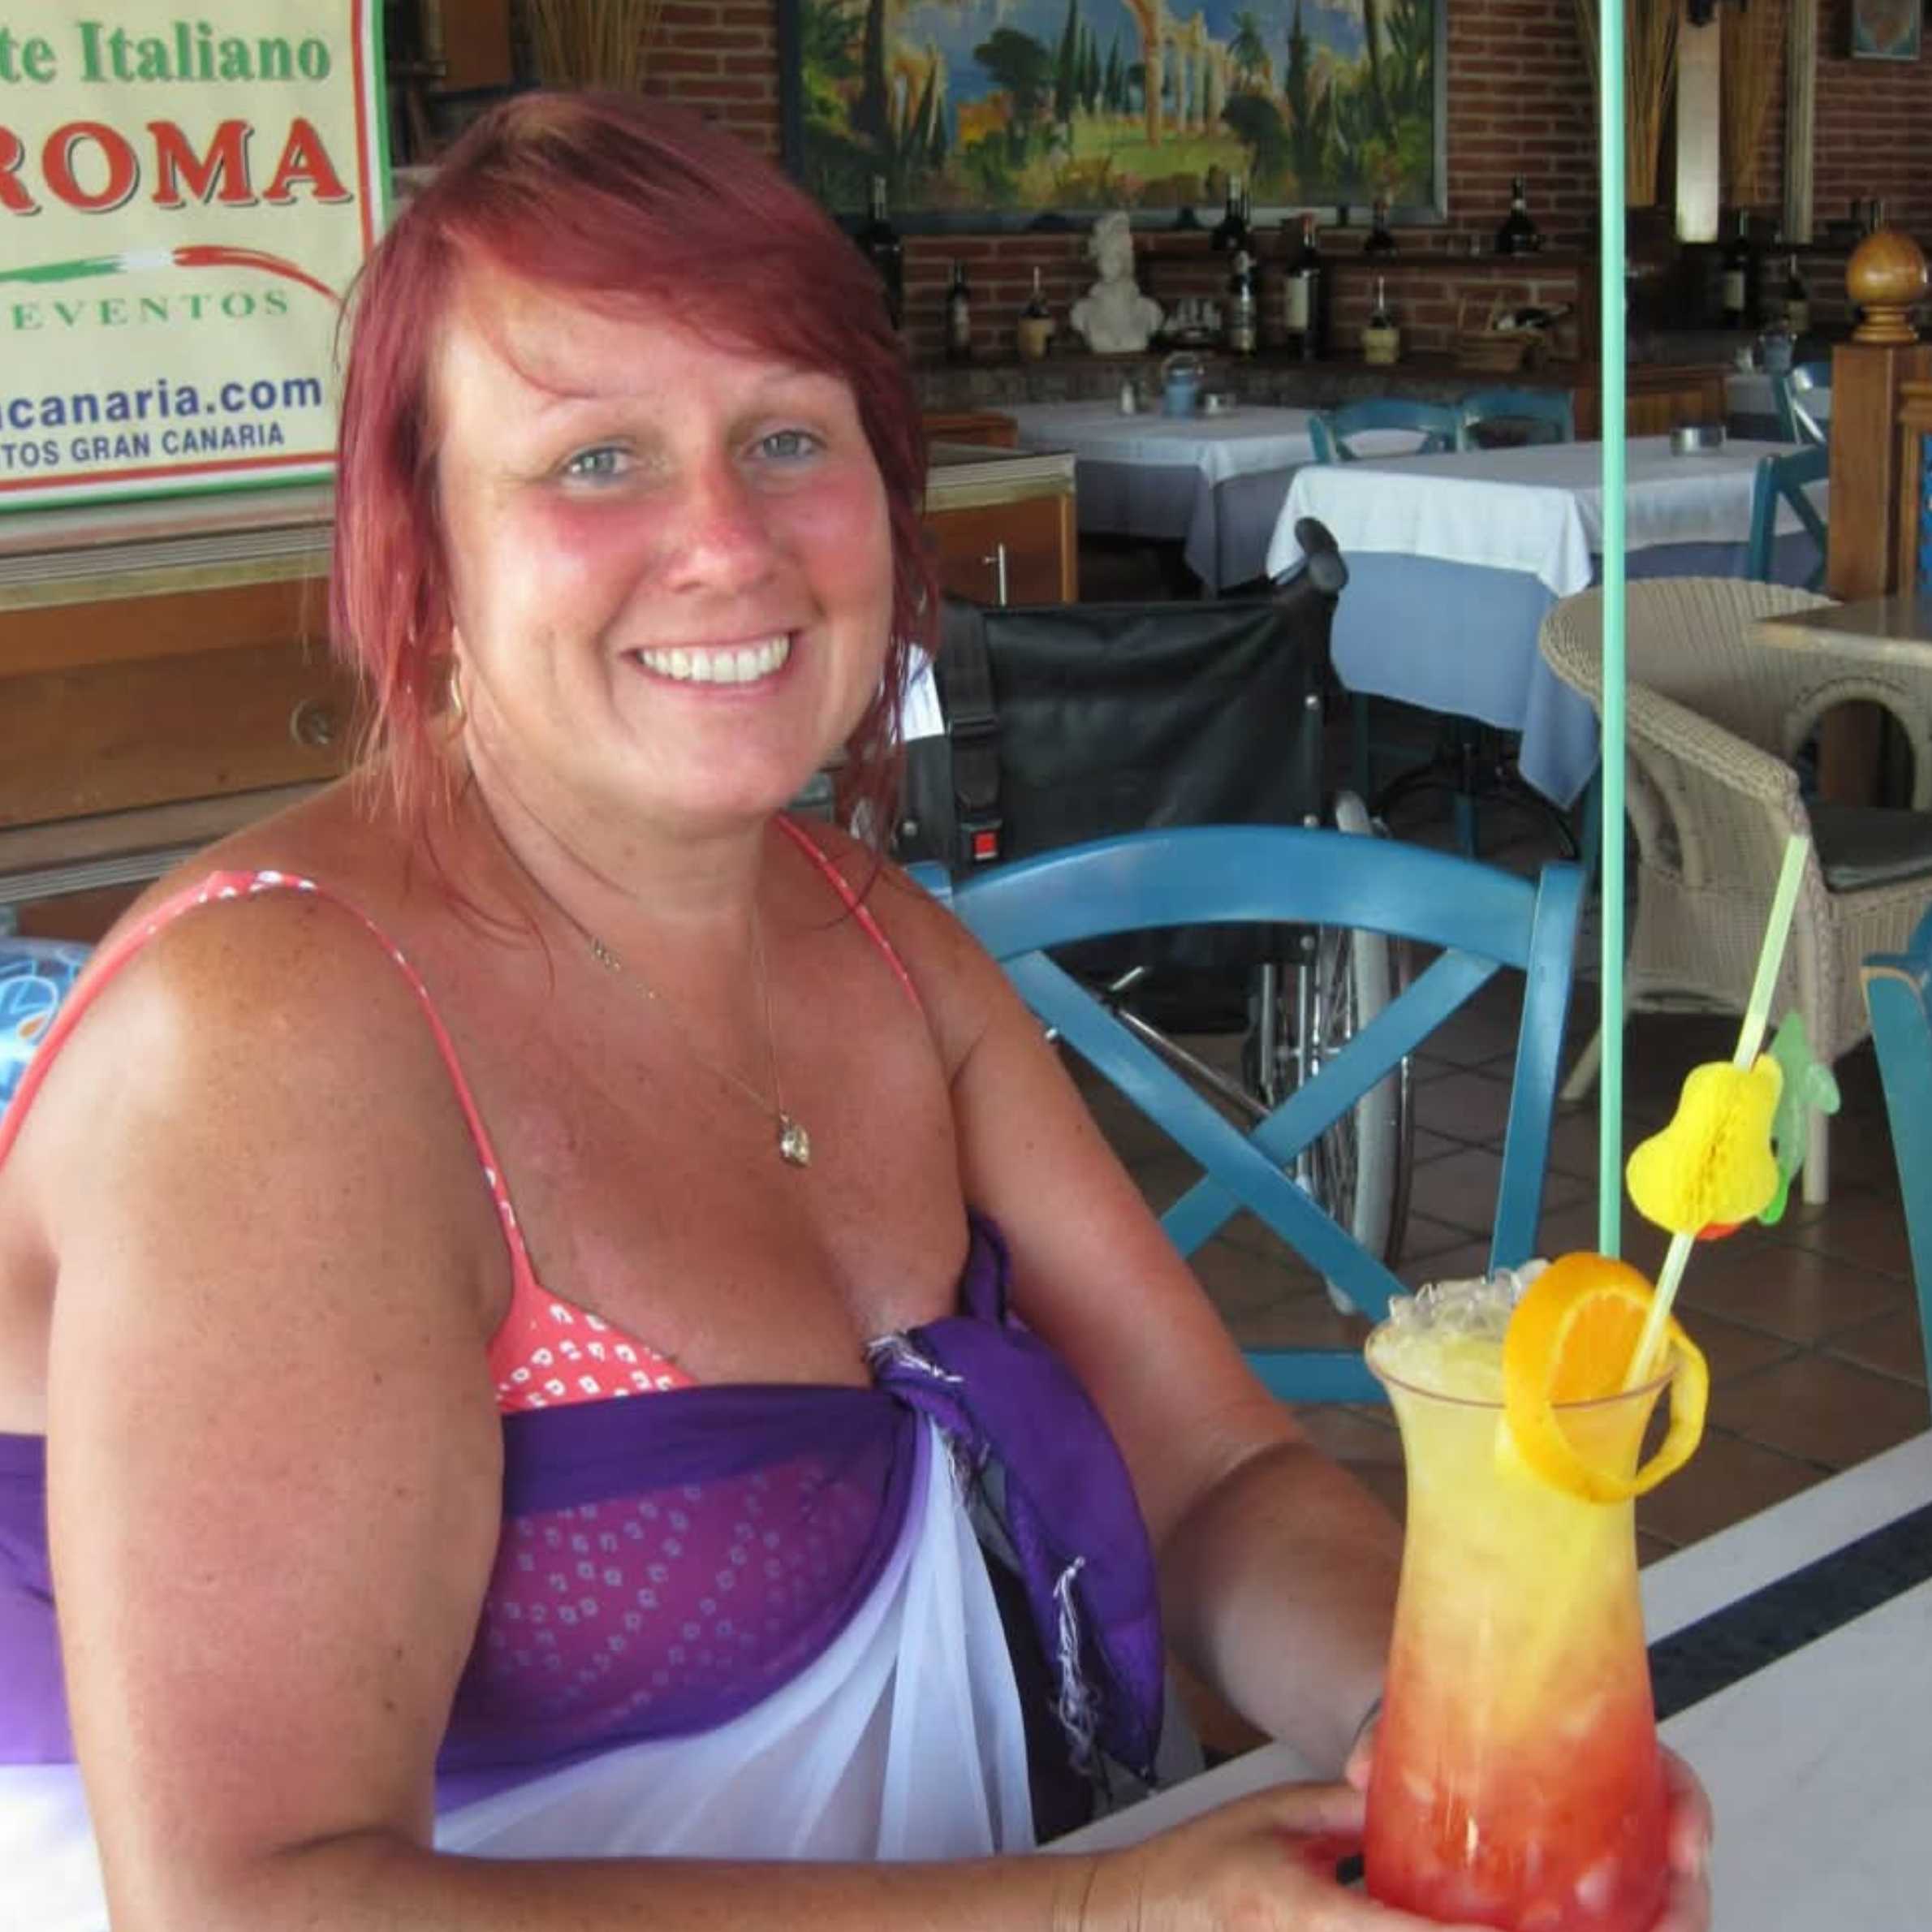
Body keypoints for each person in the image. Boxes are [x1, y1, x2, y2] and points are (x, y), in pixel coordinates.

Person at [0, 93, 1710, 1930]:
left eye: (787, 438)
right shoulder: (270, 1041)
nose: (728, 544)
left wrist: (1451, 1738)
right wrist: (1098, 1912)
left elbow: (1214, 1477)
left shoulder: (881, 940)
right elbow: (258, 1904)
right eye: (594, 462)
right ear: (423, 556)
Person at [1069, 211, 1164, 354]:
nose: (1107, 263)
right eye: (1103, 256)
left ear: (1126, 260)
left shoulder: (1149, 310)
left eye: (1115, 256)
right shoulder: (1082, 311)